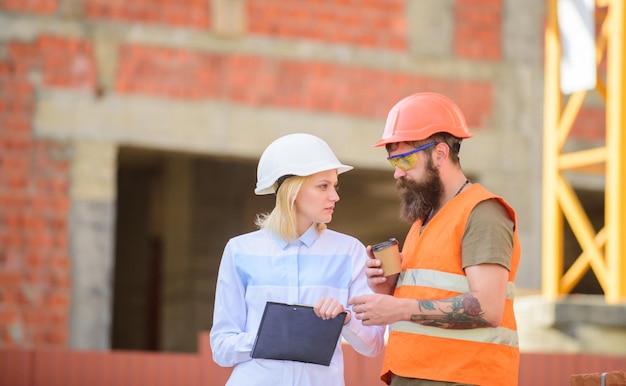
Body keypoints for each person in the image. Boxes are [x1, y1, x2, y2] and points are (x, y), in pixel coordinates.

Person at [348, 92, 521, 386]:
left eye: (405, 159)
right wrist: (390, 287)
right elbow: (430, 295)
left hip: (464, 378)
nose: (397, 173)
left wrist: (399, 308)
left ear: (440, 154)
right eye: (394, 161)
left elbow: (488, 308)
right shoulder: (423, 219)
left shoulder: (483, 212)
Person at [210, 133, 385, 386]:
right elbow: (221, 348)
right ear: (292, 190)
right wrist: (269, 336)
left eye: (335, 186)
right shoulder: (240, 251)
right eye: (323, 186)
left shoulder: (350, 252)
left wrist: (345, 319)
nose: (334, 196)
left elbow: (373, 345)